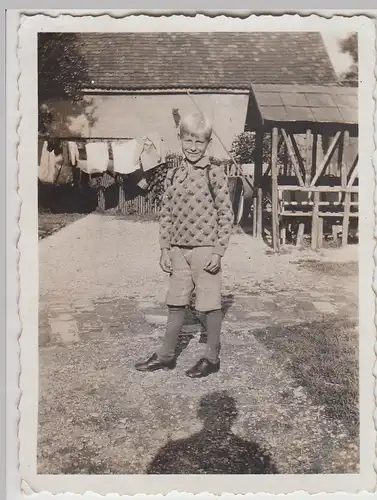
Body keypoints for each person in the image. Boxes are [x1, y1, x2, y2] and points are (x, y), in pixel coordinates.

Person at [135, 112, 233, 378]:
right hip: (178, 250)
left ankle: (211, 357)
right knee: (176, 302)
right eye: (188, 140)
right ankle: (166, 355)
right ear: (180, 139)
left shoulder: (215, 174)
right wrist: (165, 248)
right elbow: (166, 213)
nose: (193, 147)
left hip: (205, 250)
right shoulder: (172, 175)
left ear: (208, 143)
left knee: (209, 303)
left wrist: (218, 250)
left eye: (199, 142)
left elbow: (226, 215)